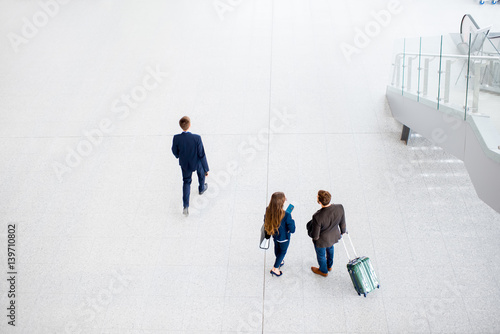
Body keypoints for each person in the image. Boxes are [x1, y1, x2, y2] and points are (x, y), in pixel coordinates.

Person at [171, 116, 209, 216]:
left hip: (185, 163)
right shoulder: (197, 138)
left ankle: (186, 206)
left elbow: (174, 151)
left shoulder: (176, 138)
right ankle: (201, 188)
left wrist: (178, 156)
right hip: (196, 162)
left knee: (186, 182)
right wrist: (206, 168)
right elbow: (201, 154)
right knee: (201, 174)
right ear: (190, 125)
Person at [307, 190, 346, 277]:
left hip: (322, 241)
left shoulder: (317, 216)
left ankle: (323, 271)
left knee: (321, 255)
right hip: (334, 236)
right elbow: (342, 222)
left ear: (320, 202)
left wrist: (309, 232)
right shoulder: (340, 207)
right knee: (330, 249)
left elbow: (315, 236)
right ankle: (329, 266)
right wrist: (343, 231)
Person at [264, 192, 296, 277]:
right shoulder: (287, 215)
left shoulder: (268, 209)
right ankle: (275, 268)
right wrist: (292, 219)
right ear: (281, 203)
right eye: (284, 199)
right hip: (284, 238)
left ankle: (280, 261)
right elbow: (292, 230)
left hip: (274, 235)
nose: (285, 200)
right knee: (282, 252)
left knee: (277, 247)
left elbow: (265, 220)